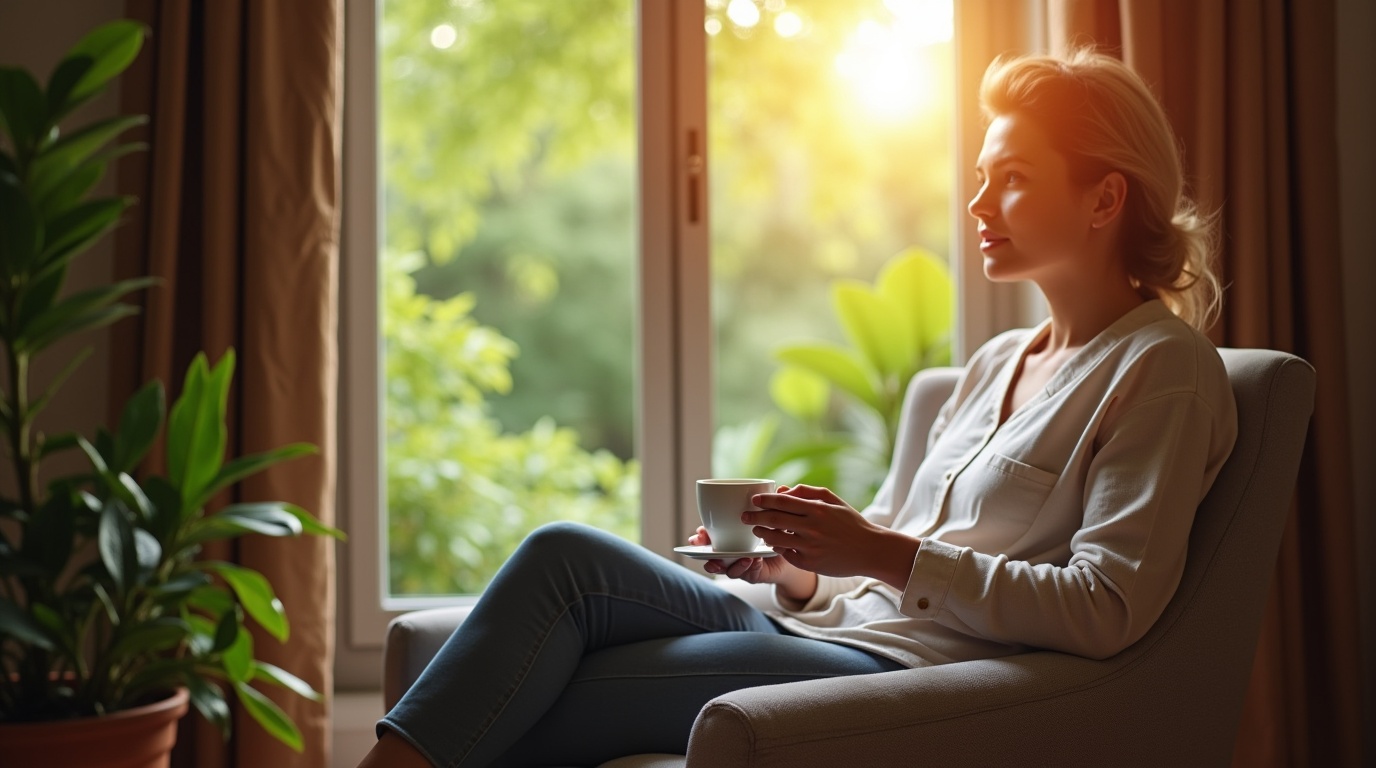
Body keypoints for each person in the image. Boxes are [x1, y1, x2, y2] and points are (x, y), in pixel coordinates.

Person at [359, 47, 1239, 767]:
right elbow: (890, 554)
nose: (977, 203)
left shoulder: (1162, 369)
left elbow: (1107, 607)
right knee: (563, 557)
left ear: (1104, 198)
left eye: (1011, 177)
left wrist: (883, 553)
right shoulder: (996, 362)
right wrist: (802, 572)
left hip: (899, 672)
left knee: (524, 700)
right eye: (978, 175)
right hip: (835, 630)